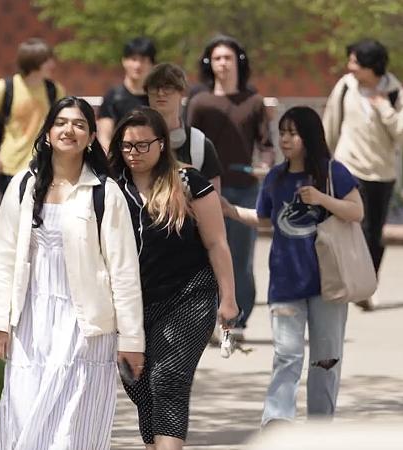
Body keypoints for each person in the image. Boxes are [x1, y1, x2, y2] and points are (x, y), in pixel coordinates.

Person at [0, 96, 145, 449]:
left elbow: (124, 271)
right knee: (24, 417)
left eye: (79, 124)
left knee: (71, 430)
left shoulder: (106, 193)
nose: (69, 130)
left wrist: (132, 340)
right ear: (47, 133)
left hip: (85, 328)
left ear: (90, 138)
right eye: (61, 122)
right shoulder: (23, 186)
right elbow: (3, 257)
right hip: (31, 323)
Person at [222, 106, 363, 427]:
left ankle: (319, 426)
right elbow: (265, 219)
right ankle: (278, 419)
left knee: (324, 361)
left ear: (309, 136)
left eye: (293, 133)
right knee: (287, 355)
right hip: (285, 283)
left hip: (328, 283)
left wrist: (322, 199)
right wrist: (230, 210)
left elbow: (357, 212)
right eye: (282, 133)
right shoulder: (276, 177)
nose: (285, 139)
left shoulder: (332, 173)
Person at [109, 107, 238, 449]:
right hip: (134, 302)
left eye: (141, 145)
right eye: (126, 146)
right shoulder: (109, 189)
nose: (133, 154)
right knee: (138, 384)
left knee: (168, 379)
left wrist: (228, 298)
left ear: (162, 144)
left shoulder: (188, 183)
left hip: (189, 295)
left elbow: (216, 242)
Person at [187, 35, 274, 338]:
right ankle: (212, 316)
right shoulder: (199, 102)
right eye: (217, 58)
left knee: (241, 256)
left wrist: (265, 163)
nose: (222, 63)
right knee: (208, 254)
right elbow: (189, 144)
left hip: (243, 188)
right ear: (209, 63)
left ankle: (238, 319)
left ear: (239, 60)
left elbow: (266, 144)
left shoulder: (253, 102)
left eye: (228, 57)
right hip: (205, 190)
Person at [322, 38, 403, 310]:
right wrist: (320, 160)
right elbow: (330, 123)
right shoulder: (345, 87)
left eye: (355, 62)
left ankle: (366, 284)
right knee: (353, 227)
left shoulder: (394, 91)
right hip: (348, 167)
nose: (349, 67)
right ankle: (347, 284)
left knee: (373, 233)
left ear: (371, 66)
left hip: (382, 172)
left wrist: (384, 108)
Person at [0, 38, 65, 193]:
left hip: (44, 165)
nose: (53, 65)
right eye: (47, 60)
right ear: (34, 61)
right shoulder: (4, 88)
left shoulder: (54, 90)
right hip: (10, 165)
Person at [145, 63, 222, 189]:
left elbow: (214, 196)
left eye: (167, 87)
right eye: (154, 87)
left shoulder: (199, 143)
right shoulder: (134, 140)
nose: (160, 93)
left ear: (181, 92)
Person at [97, 37, 156, 149]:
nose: (137, 65)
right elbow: (104, 136)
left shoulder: (157, 97)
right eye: (133, 59)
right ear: (124, 61)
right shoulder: (113, 97)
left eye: (143, 60)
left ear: (152, 64)